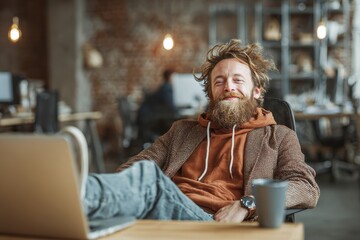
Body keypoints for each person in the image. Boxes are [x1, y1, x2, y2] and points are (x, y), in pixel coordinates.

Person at [85, 39, 320, 223]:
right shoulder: (182, 131)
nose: (228, 87)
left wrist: (247, 203)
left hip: (213, 222)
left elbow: (306, 187)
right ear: (211, 93)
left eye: (238, 80)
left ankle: (71, 197)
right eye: (219, 82)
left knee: (149, 181)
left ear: (256, 91)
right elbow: (132, 170)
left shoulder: (278, 136)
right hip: (163, 217)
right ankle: (70, 198)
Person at [137, 69, 178, 144]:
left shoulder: (164, 86)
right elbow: (170, 106)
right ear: (169, 77)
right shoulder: (167, 88)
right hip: (150, 118)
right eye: (174, 77)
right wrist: (180, 111)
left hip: (145, 116)